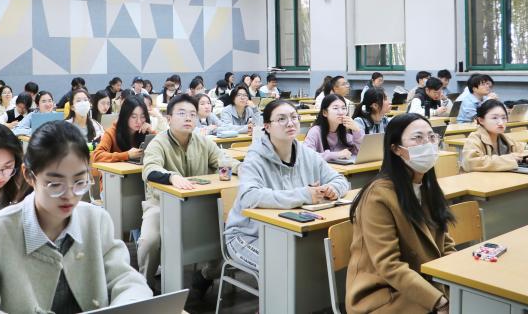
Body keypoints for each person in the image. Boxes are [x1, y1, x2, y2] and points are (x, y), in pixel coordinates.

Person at [0, 120, 152, 313]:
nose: (69, 195)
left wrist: (125, 305)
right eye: (55, 184)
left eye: (80, 182)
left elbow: (127, 281)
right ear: (29, 175)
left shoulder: (96, 220)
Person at [346, 113, 455, 314]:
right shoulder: (378, 196)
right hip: (384, 295)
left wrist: (460, 282)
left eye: (431, 137)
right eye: (417, 138)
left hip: (424, 284)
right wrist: (440, 302)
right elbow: (389, 265)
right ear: (396, 149)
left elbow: (445, 245)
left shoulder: (426, 186)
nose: (428, 144)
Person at [224, 100, 350, 272]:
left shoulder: (307, 154)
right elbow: (249, 197)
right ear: (267, 127)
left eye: (294, 117)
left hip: (286, 231)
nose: (290, 123)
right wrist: (304, 194)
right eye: (282, 119)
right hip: (248, 235)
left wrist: (333, 189)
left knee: (314, 261)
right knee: (285, 267)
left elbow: (340, 180)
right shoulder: (254, 158)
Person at [140, 94, 240, 291]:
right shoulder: (158, 143)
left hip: (199, 204)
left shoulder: (203, 142)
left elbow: (223, 160)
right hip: (161, 204)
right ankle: (144, 286)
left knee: (228, 234)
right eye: (182, 113)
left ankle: (206, 275)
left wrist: (240, 168)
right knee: (149, 241)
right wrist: (171, 177)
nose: (188, 118)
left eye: (193, 114)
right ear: (169, 119)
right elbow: (149, 170)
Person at [462, 99, 528, 172]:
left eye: (503, 118)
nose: (501, 122)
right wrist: (509, 158)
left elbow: (527, 149)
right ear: (481, 120)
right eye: (494, 118)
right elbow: (471, 163)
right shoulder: (474, 139)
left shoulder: (505, 138)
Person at [91, 96, 155, 163]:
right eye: (134, 117)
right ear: (125, 116)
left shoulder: (146, 131)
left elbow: (161, 149)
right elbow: (96, 155)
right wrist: (127, 155)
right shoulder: (112, 132)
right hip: (117, 170)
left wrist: (152, 131)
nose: (139, 121)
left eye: (142, 116)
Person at [305, 94, 364, 162]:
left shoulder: (344, 132)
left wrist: (356, 130)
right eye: (335, 108)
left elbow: (361, 152)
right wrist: (337, 155)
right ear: (325, 112)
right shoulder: (315, 131)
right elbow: (307, 156)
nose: (341, 112)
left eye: (343, 108)